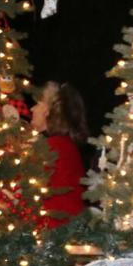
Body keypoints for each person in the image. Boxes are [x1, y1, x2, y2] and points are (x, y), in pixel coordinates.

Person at [31, 81, 88, 227]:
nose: (32, 109)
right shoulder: (65, 144)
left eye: (37, 104)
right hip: (67, 226)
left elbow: (24, 183)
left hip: (53, 229)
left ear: (47, 111)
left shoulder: (52, 146)